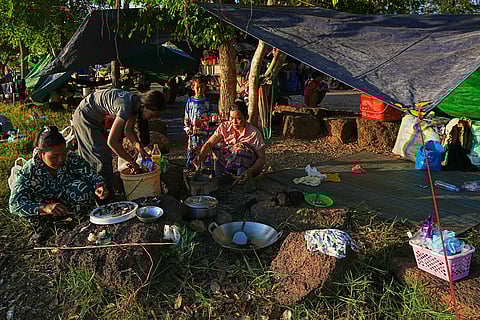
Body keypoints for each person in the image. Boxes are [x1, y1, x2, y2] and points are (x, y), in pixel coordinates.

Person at [72, 88, 166, 200]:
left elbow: (128, 130)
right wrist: (132, 162)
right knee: (100, 159)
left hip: (95, 119)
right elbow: (112, 142)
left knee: (101, 156)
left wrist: (140, 149)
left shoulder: (134, 103)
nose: (151, 119)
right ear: (145, 106)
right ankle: (104, 199)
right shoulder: (126, 107)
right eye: (152, 115)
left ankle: (104, 194)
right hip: (85, 118)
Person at [9, 126, 108, 217]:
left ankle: (79, 218)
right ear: (41, 154)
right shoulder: (29, 171)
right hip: (46, 211)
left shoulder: (71, 158)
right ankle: (44, 232)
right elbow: (14, 205)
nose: (61, 159)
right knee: (31, 212)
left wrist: (99, 186)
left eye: (63, 154)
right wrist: (44, 207)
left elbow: (91, 175)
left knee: (80, 188)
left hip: (67, 204)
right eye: (55, 156)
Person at [193, 100, 266, 183]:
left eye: (238, 119)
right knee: (217, 147)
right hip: (230, 160)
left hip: (247, 165)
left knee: (240, 150)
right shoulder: (224, 127)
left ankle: (241, 178)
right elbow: (209, 143)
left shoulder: (254, 133)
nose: (234, 122)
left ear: (246, 117)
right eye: (231, 118)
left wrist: (251, 170)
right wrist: (200, 156)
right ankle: (222, 175)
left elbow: (262, 158)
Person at [184, 74, 214, 169]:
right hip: (192, 133)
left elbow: (211, 118)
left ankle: (205, 168)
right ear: (193, 87)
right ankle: (190, 168)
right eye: (197, 87)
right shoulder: (190, 101)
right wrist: (187, 127)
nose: (200, 90)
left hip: (204, 133)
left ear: (205, 87)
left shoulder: (207, 103)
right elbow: (186, 117)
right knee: (192, 150)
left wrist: (205, 123)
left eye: (202, 87)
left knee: (204, 150)